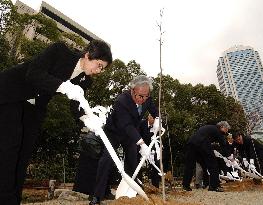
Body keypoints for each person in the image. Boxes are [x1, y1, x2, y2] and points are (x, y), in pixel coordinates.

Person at [0, 39, 112, 205]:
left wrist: (87, 118)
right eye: (99, 65)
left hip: (35, 107)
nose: (99, 71)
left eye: (102, 68)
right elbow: (33, 73)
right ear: (88, 55)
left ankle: (14, 199)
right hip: (12, 94)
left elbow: (76, 105)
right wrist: (63, 87)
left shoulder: (85, 80)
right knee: (10, 147)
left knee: (24, 152)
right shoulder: (59, 51)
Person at [89, 75, 158, 205]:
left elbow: (155, 112)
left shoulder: (147, 99)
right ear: (132, 91)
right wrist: (142, 144)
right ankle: (97, 195)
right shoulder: (121, 101)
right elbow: (126, 125)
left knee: (133, 160)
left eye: (146, 96)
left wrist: (156, 121)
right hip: (114, 131)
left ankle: (134, 191)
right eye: (140, 96)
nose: (143, 100)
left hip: (131, 135)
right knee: (107, 159)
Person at [182, 121, 231, 192]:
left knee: (191, 165)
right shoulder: (217, 131)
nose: (227, 131)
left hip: (191, 143)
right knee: (213, 165)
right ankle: (214, 186)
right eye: (226, 129)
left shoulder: (209, 128)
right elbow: (223, 144)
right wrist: (229, 157)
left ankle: (185, 185)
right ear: (222, 127)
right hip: (203, 143)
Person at [139, 114, 161, 188]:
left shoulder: (157, 126)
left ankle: (156, 186)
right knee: (139, 165)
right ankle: (139, 186)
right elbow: (141, 136)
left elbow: (158, 137)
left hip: (152, 147)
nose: (153, 120)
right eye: (152, 117)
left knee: (156, 163)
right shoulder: (142, 124)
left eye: (155, 118)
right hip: (141, 146)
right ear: (148, 117)